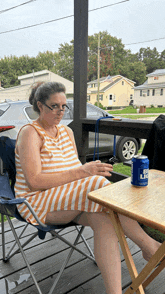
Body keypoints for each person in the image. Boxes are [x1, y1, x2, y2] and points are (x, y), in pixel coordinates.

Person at [15, 81, 161, 294]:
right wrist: (84, 172)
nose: (60, 111)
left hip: (67, 199)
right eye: (54, 106)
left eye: (63, 106)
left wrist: (81, 173)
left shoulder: (66, 132)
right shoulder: (30, 133)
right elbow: (34, 181)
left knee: (105, 220)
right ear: (39, 105)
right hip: (36, 202)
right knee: (98, 183)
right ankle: (148, 246)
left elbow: (73, 172)